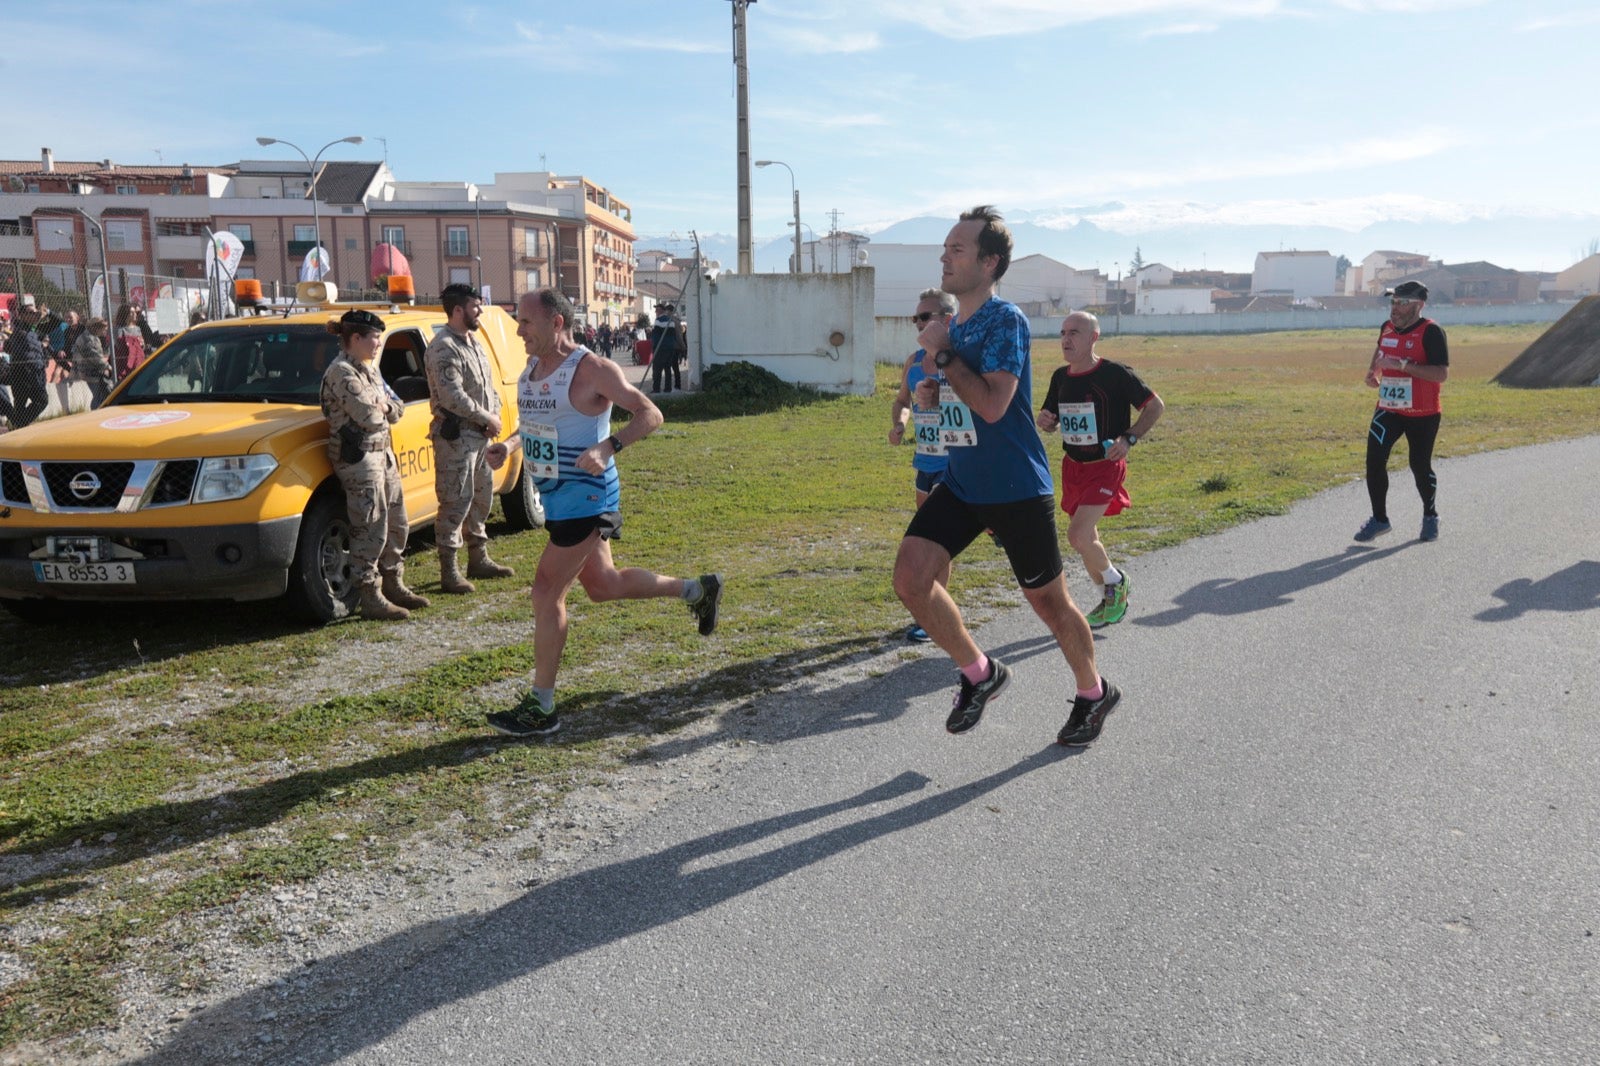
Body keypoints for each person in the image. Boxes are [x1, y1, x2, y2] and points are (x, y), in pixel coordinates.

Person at [893, 206, 1120, 747]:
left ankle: (1093, 693)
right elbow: (961, 401)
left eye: (958, 249)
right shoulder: (956, 326)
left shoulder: (1004, 321)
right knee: (910, 578)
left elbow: (994, 405)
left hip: (1017, 487)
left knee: (1050, 605)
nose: (945, 258)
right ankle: (979, 672)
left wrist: (943, 356)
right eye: (945, 248)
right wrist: (932, 394)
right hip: (965, 481)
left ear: (990, 262)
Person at [483, 287, 723, 738]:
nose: (519, 331)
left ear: (557, 323)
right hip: (555, 496)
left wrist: (608, 445)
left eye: (526, 322)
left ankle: (541, 706)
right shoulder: (533, 367)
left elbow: (650, 414)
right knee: (603, 586)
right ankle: (698, 590)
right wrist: (511, 444)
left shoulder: (594, 369)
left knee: (545, 590)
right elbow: (539, 422)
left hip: (589, 498)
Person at [1036, 311, 1165, 628]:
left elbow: (1155, 406)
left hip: (1105, 465)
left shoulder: (1115, 374)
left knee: (1077, 535)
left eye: (1075, 333)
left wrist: (1129, 438)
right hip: (1073, 466)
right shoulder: (1060, 377)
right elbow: (1052, 418)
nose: (1066, 339)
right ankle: (1108, 600)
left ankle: (1116, 582)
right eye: (1063, 333)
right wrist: (1046, 422)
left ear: (1094, 337)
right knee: (1086, 538)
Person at [318, 308, 431, 621]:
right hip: (360, 460)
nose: (379, 343)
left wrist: (383, 405)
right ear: (356, 338)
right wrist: (381, 406)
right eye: (376, 338)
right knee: (371, 526)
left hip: (384, 455)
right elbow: (369, 417)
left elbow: (396, 408)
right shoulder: (342, 372)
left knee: (397, 521)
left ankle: (394, 582)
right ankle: (370, 593)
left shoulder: (369, 370)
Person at [424, 283, 516, 594]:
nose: (480, 311)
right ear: (459, 309)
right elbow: (452, 396)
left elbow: (486, 386)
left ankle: (479, 559)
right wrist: (485, 417)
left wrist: (495, 415)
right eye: (475, 306)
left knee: (481, 498)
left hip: (480, 437)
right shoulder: (443, 347)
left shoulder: (473, 342)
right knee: (455, 502)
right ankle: (449, 572)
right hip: (456, 438)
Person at [888, 288, 957, 642]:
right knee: (931, 536)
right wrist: (900, 422)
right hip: (925, 460)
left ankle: (932, 613)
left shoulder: (960, 358)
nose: (918, 323)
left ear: (947, 319)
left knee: (934, 540)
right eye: (916, 317)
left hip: (955, 461)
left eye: (925, 316)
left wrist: (942, 398)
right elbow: (903, 398)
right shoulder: (913, 360)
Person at [1356, 280, 1449, 543]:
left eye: (1401, 302)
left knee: (1419, 466)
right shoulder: (1387, 327)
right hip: (1389, 409)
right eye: (1393, 301)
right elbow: (1381, 348)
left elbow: (1441, 373)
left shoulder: (1431, 332)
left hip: (1423, 412)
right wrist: (1372, 371)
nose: (1394, 307)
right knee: (1374, 460)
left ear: (1418, 305)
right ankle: (1379, 519)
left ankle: (1430, 516)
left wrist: (1402, 365)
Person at [2, 296, 52, 428]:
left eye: (34, 312)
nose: (34, 315)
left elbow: (8, 347)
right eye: (30, 313)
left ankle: (18, 426)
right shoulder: (21, 331)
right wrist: (43, 346)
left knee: (20, 407)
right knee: (41, 401)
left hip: (24, 373)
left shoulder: (29, 330)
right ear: (22, 315)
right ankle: (19, 424)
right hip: (27, 374)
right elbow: (30, 352)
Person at [71, 316, 116, 409]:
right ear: (96, 328)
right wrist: (107, 366)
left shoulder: (92, 337)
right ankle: (95, 412)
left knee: (99, 395)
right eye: (103, 329)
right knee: (98, 396)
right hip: (90, 372)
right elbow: (94, 356)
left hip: (91, 371)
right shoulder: (88, 339)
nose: (104, 332)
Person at [649, 303, 684, 393]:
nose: (655, 312)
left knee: (657, 369)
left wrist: (654, 347)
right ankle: (667, 388)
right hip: (670, 348)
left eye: (656, 310)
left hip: (660, 348)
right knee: (667, 369)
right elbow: (673, 335)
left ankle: (656, 388)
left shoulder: (658, 320)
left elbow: (656, 336)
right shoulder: (671, 321)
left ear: (661, 310)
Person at [113, 304, 146, 381]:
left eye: (135, 312)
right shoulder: (119, 329)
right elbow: (119, 347)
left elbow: (142, 345)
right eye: (132, 312)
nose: (134, 314)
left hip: (138, 361)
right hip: (125, 363)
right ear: (126, 314)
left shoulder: (137, 329)